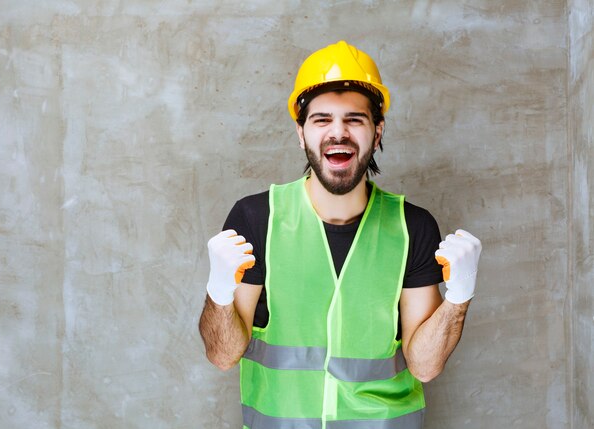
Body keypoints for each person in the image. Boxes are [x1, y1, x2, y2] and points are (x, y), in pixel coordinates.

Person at [199, 40, 482, 429]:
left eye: (354, 119)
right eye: (321, 120)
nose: (338, 132)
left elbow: (426, 366)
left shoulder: (412, 227)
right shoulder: (256, 219)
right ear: (301, 133)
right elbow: (222, 354)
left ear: (377, 131)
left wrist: (459, 299)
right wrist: (218, 292)